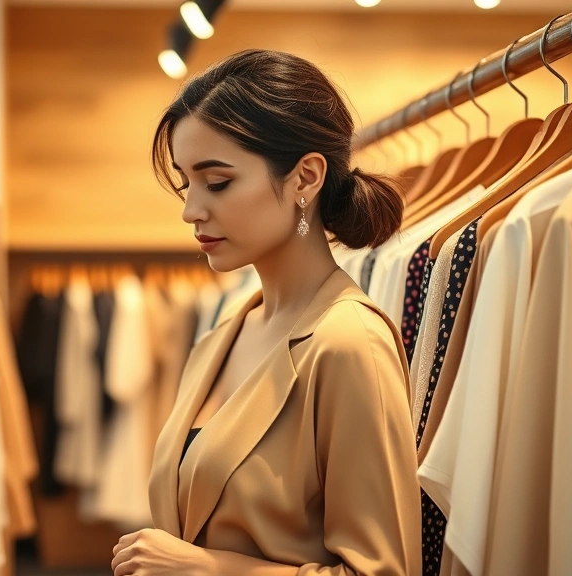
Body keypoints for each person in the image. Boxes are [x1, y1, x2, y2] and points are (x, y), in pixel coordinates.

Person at [111, 49, 421, 576]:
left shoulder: (349, 343)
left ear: (305, 179)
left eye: (219, 182)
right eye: (188, 184)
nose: (191, 210)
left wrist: (211, 569)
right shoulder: (222, 336)